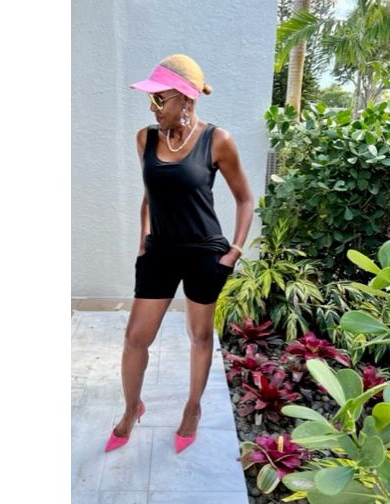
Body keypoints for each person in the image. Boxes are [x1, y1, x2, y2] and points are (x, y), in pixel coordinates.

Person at [105, 54, 254, 453]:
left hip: (205, 253)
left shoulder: (217, 140)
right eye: (150, 98)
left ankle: (193, 409)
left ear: (186, 99)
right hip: (160, 253)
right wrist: (143, 241)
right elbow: (151, 196)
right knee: (135, 339)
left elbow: (245, 199)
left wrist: (234, 251)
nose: (153, 107)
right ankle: (131, 408)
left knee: (199, 335)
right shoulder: (145, 139)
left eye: (160, 98)